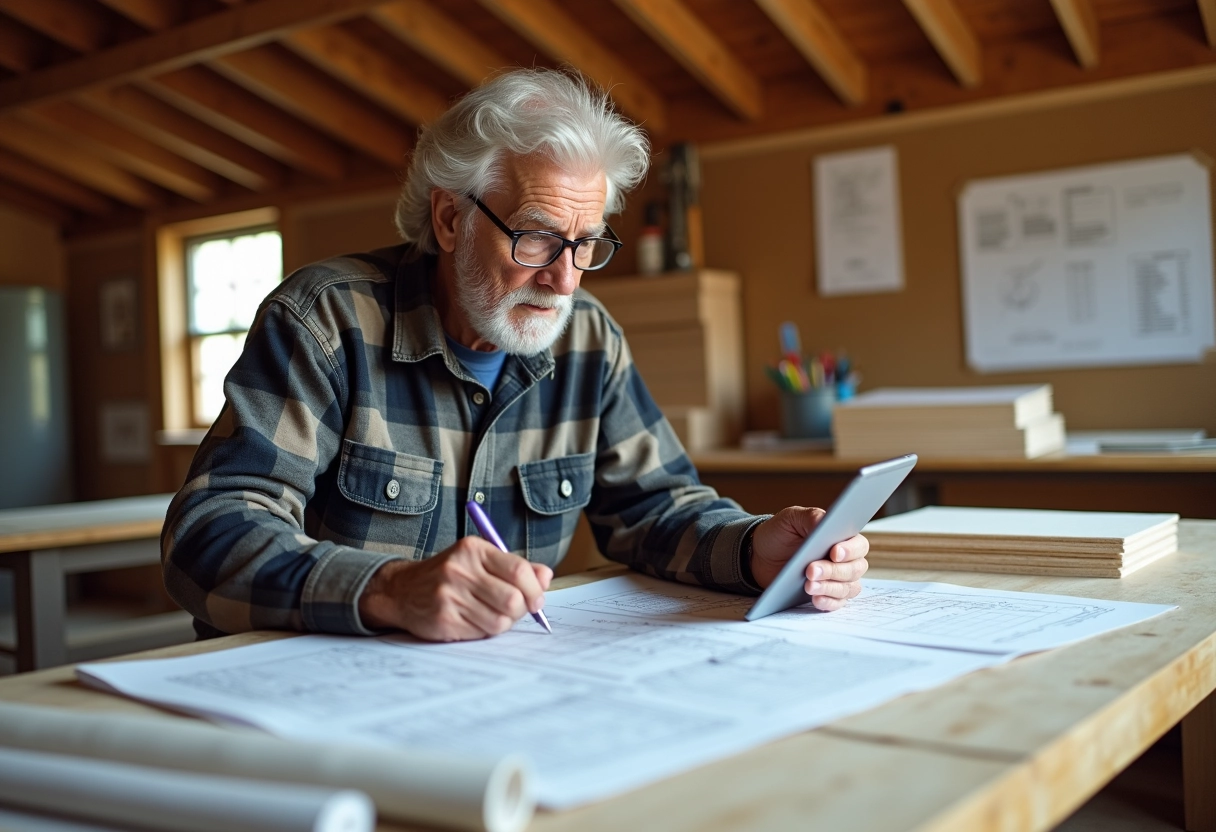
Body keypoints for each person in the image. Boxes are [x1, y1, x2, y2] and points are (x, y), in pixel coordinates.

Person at [162, 68, 869, 642]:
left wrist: (753, 549)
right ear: (450, 219)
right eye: (536, 237)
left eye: (585, 243)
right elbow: (209, 535)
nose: (565, 279)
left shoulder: (589, 339)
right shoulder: (327, 320)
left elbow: (657, 508)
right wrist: (387, 589)